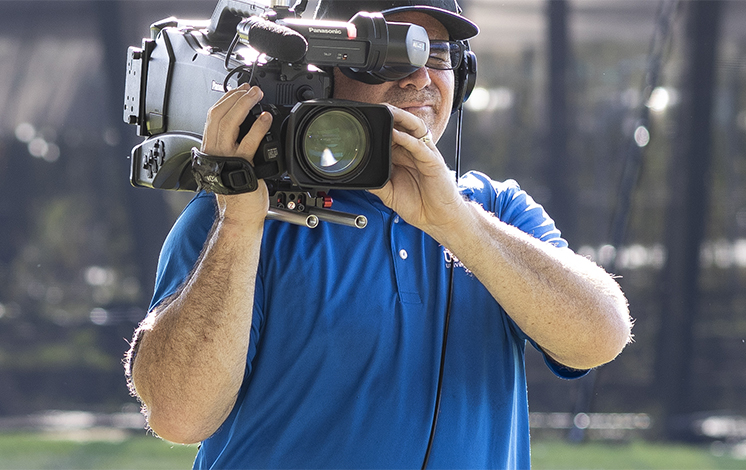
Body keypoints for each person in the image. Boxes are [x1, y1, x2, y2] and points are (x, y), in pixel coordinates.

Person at [125, 1, 632, 467]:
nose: (419, 77)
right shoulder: (239, 207)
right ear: (322, 72)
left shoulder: (496, 211)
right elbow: (178, 417)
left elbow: (601, 338)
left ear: (463, 77)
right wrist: (237, 223)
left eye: (436, 54)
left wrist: (454, 221)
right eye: (388, 53)